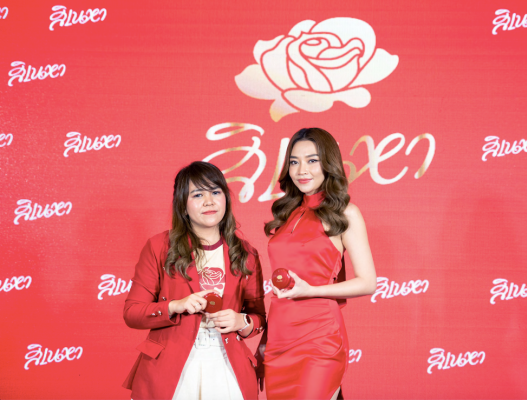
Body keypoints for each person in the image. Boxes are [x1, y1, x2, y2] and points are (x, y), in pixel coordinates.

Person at [122, 161, 266, 400]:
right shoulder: (159, 247)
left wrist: (241, 320)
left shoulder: (245, 253)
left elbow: (258, 318)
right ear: (183, 205)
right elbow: (132, 313)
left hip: (227, 365)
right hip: (169, 368)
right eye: (198, 194)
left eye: (215, 192)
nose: (209, 201)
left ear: (226, 199)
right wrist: (175, 306)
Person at [263, 127, 377, 399]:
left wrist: (311, 290)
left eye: (312, 160)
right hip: (279, 338)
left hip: (319, 337)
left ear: (328, 163)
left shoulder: (345, 213)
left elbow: (368, 282)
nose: (302, 170)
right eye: (294, 162)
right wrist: (265, 340)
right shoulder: (287, 213)